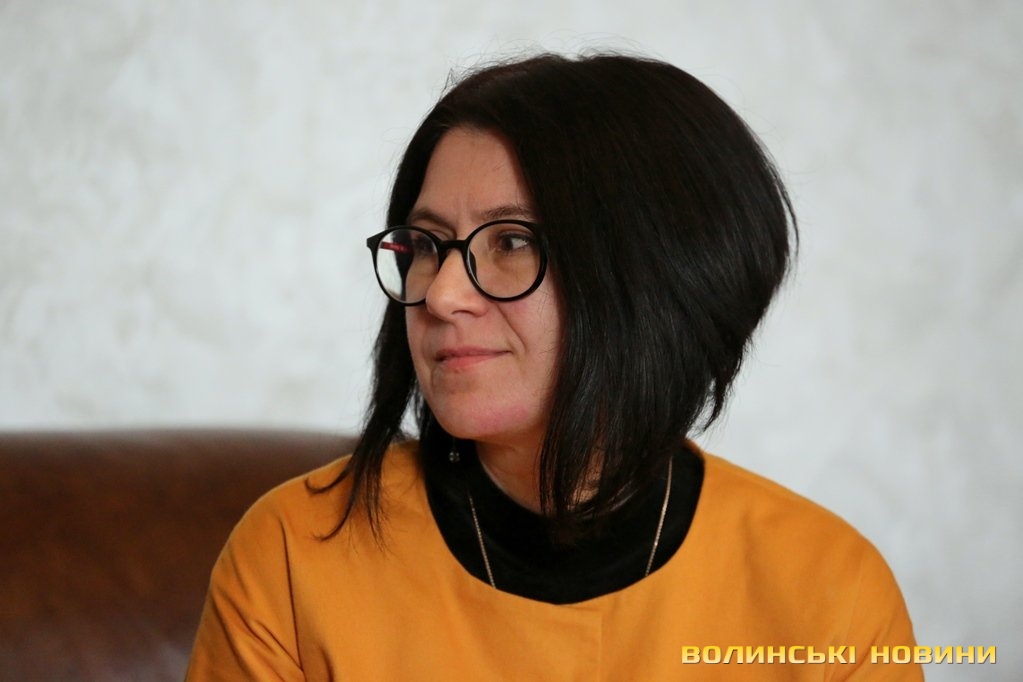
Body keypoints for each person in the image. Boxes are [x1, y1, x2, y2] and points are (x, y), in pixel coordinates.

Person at [186, 53, 921, 679]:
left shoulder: (826, 589)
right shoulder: (293, 556)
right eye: (429, 245)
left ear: (657, 277)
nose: (441, 294)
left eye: (512, 243)